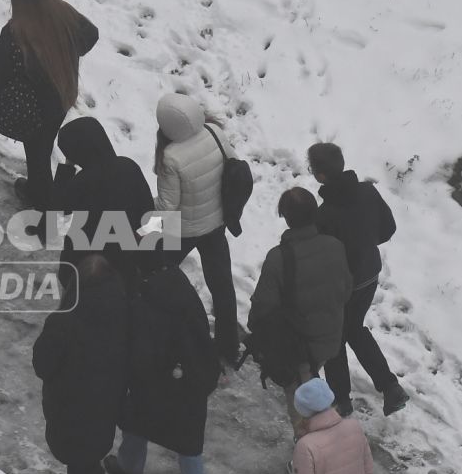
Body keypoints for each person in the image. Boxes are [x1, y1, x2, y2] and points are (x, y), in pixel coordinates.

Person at [108, 252, 220, 474]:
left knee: (135, 419)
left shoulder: (145, 298)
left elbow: (141, 349)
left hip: (159, 381)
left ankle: (130, 466)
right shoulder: (180, 284)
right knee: (189, 446)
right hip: (192, 379)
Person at [33, 252, 131, 474]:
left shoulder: (65, 321)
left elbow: (42, 364)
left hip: (71, 408)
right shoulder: (122, 313)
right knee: (85, 457)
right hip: (106, 406)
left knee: (82, 463)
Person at [309, 142, 410, 417]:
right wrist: (366, 244)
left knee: (336, 338)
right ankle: (390, 387)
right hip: (370, 274)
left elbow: (322, 258)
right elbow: (388, 228)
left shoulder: (324, 215)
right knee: (353, 328)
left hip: (343, 286)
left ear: (320, 176)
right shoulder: (368, 191)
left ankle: (341, 400)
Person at [0, 0, 100, 209]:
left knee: (38, 157)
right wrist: (70, 51)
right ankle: (38, 191)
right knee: (43, 148)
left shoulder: (14, 33)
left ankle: (42, 205)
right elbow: (91, 34)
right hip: (62, 97)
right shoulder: (63, 13)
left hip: (33, 108)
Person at [246, 188, 352, 425]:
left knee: (302, 404)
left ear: (286, 217)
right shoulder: (335, 246)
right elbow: (346, 290)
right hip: (330, 338)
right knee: (316, 393)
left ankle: (308, 453)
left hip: (297, 348)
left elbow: (262, 308)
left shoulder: (278, 258)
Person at [153, 92, 240, 362]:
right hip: (216, 224)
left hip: (184, 231)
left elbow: (167, 210)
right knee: (223, 287)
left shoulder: (171, 158)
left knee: (157, 275)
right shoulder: (214, 132)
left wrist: (146, 219)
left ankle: (160, 330)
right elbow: (232, 165)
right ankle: (228, 346)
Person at [51, 116, 152, 285]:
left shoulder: (80, 183)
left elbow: (56, 209)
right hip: (127, 255)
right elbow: (147, 208)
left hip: (87, 261)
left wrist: (67, 168)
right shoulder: (129, 166)